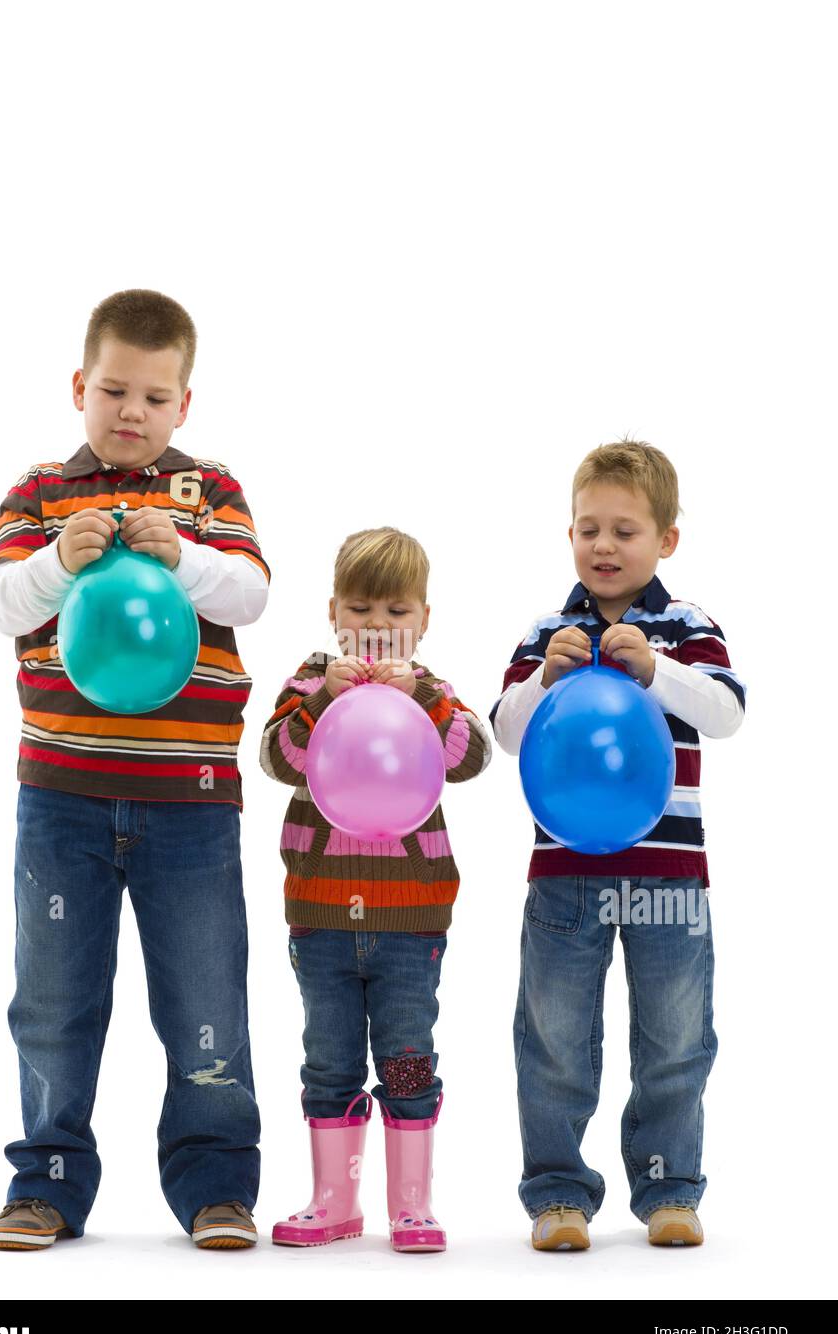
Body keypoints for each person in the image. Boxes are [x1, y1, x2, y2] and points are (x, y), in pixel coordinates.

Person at [0, 288, 270, 1251]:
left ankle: (217, 1182)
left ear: (184, 404)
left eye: (154, 396)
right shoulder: (36, 493)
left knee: (205, 996)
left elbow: (252, 592)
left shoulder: (211, 492)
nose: (131, 413)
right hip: (59, 798)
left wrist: (182, 556)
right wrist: (61, 561)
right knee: (54, 999)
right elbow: (1, 601)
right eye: (113, 390)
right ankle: (47, 1179)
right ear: (79, 387)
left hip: (190, 803)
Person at [490, 439, 745, 1251]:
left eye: (625, 531)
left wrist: (657, 670)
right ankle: (558, 1192)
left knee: (675, 1036)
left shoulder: (687, 626)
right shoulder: (547, 631)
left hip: (671, 875)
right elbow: (502, 733)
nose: (604, 546)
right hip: (564, 873)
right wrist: (542, 682)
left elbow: (728, 713)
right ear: (569, 535)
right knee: (555, 1037)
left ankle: (670, 1185)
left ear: (666, 539)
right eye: (588, 529)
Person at [260, 527, 492, 1251]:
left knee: (406, 1054)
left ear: (422, 620)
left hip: (410, 919)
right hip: (322, 916)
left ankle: (412, 1205)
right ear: (334, 613)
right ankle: (333, 1199)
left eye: (395, 613)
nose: (377, 629)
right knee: (327, 1057)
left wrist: (424, 696)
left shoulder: (432, 691)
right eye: (361, 611)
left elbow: (470, 759)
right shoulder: (310, 680)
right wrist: (319, 698)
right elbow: (276, 757)